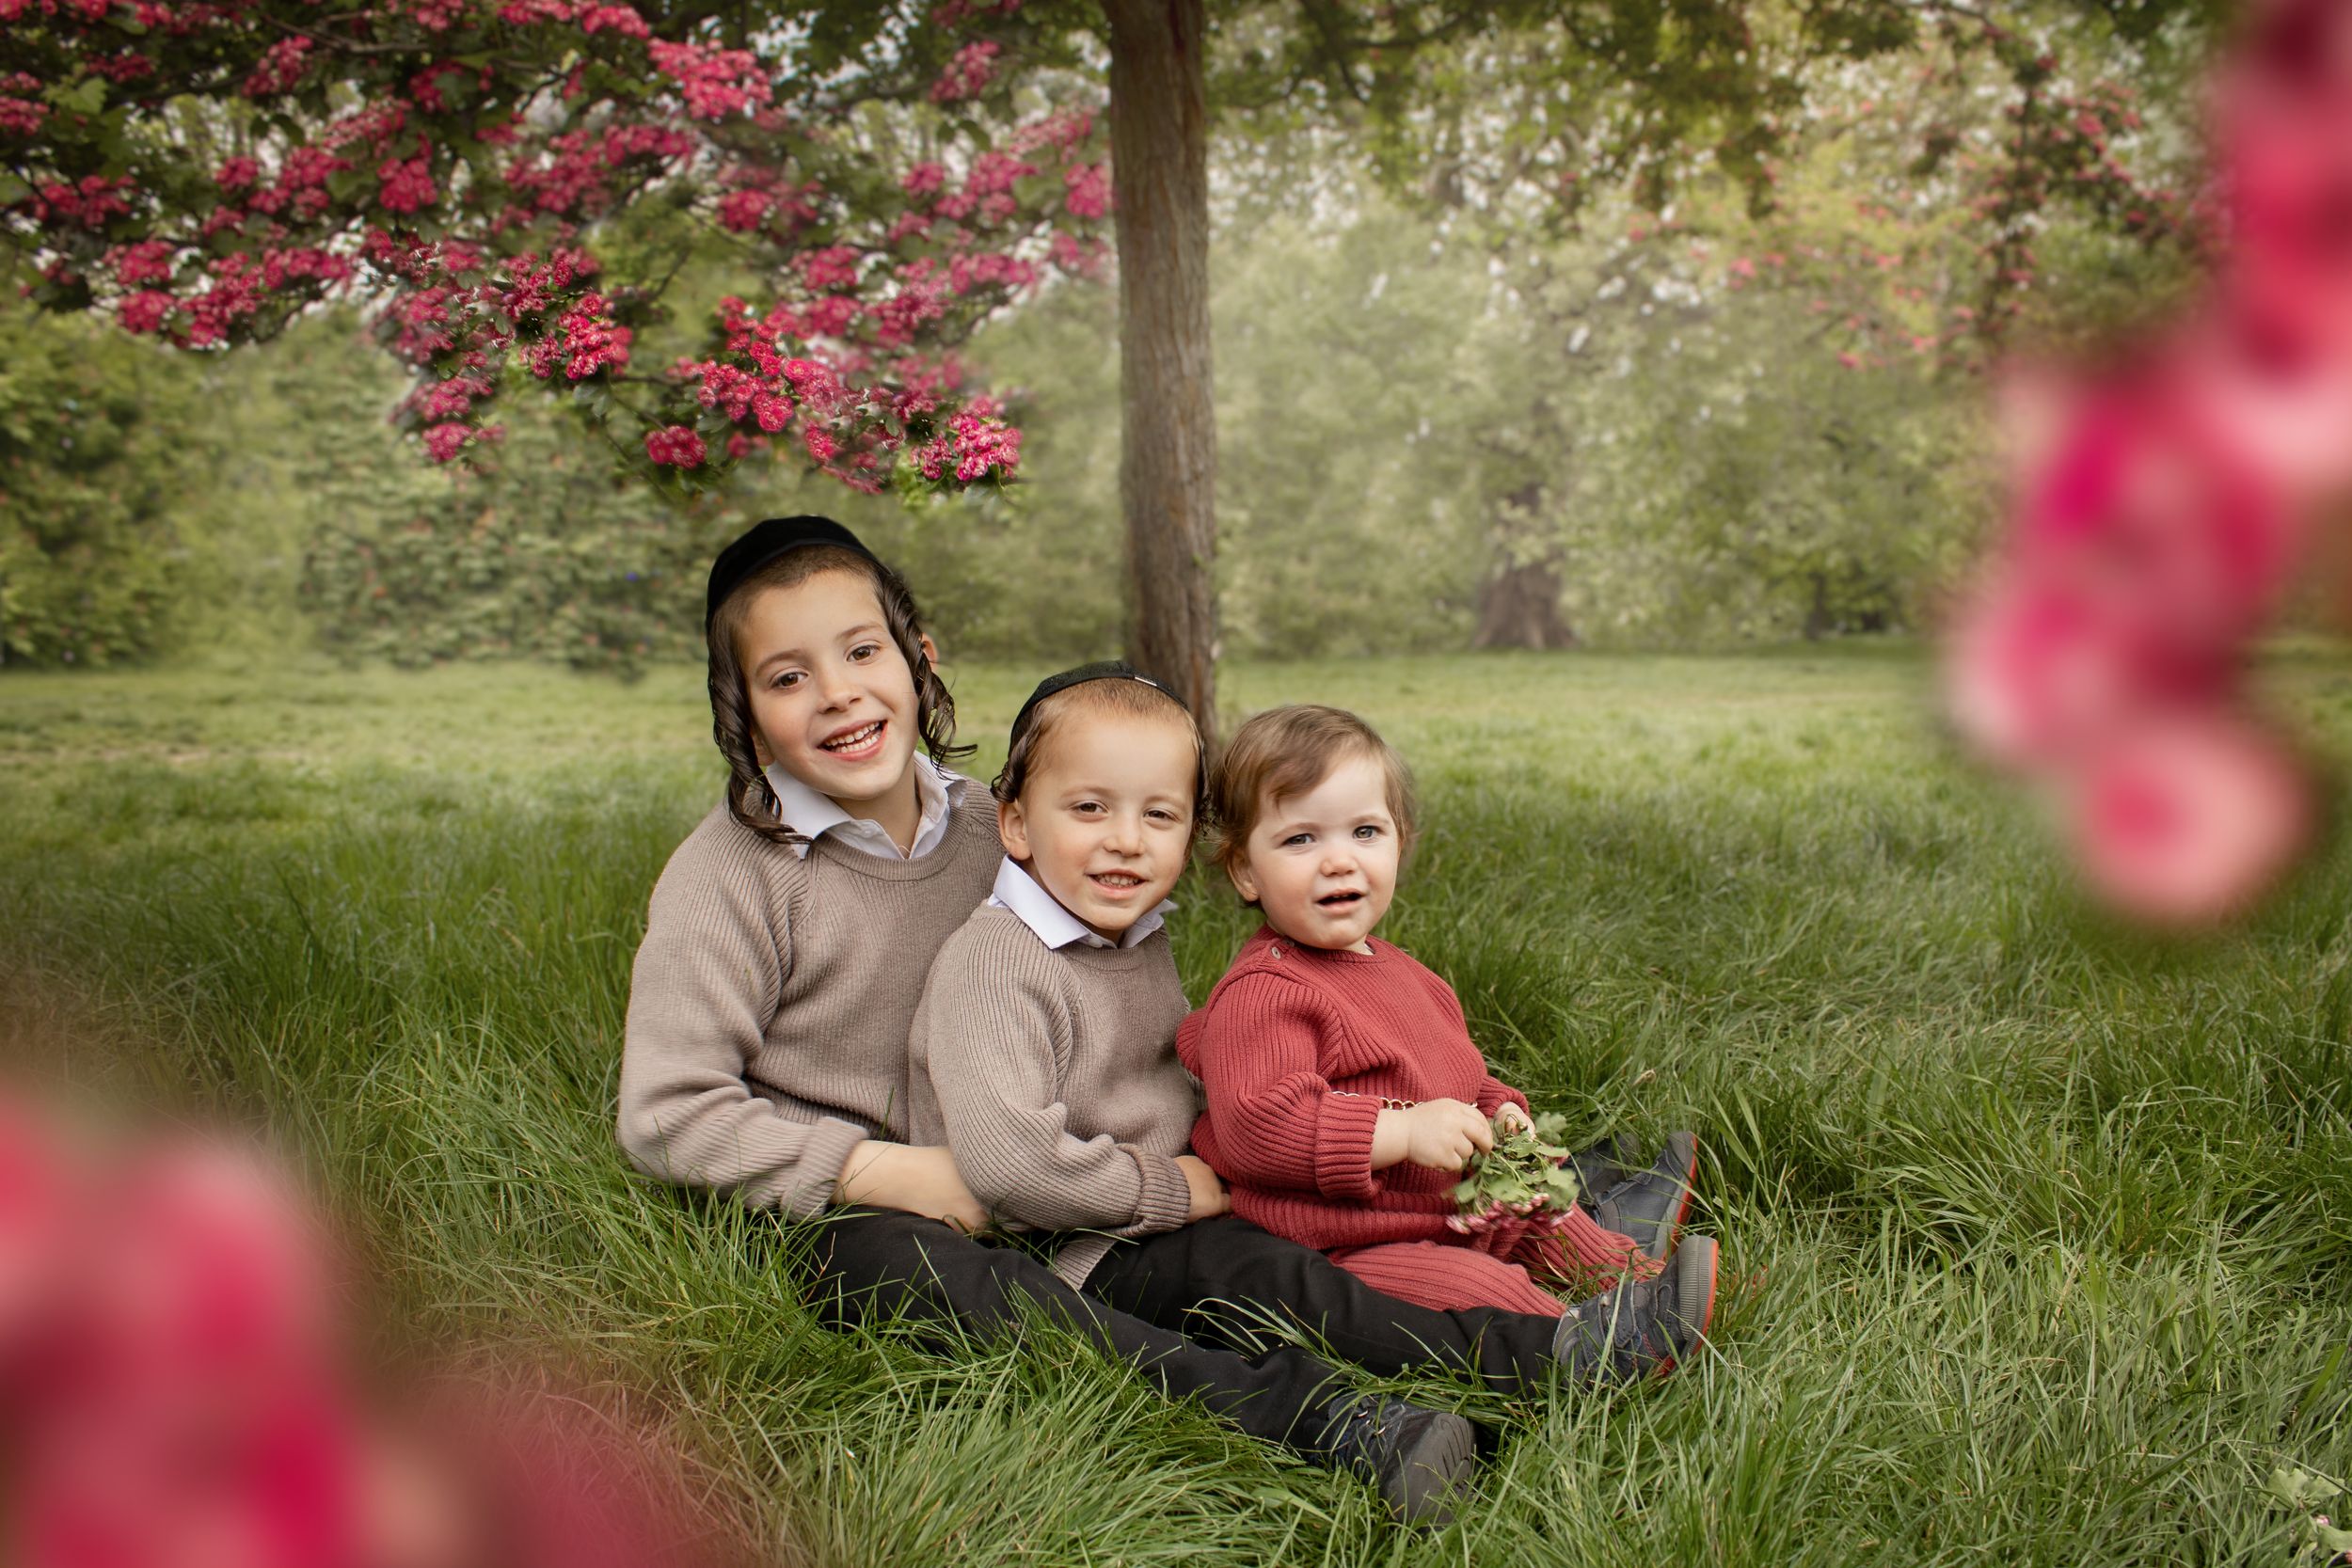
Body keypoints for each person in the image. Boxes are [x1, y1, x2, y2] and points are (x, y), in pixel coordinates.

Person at [617, 518, 1702, 1521]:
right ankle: (1325, 1422)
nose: (840, 694)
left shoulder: (1007, 818)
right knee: (931, 1283)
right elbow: (666, 1112)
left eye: (862, 652)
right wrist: (875, 1170)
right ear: (741, 707)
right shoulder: (733, 875)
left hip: (1082, 1156)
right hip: (891, 1202)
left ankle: (1551, 1318)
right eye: (787, 676)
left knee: (1262, 1252)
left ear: (918, 657)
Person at [1181, 704, 1717, 1336]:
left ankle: (1636, 1278)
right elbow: (1261, 1127)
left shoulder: (1407, 973)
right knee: (1475, 1286)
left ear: (1399, 841)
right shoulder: (1265, 993)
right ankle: (1586, 1343)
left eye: (1364, 832)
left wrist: (1502, 1111)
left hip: (1441, 1201)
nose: (1338, 860)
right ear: (1245, 869)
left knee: (1539, 1198)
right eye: (1301, 838)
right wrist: (1402, 1132)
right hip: (1349, 1240)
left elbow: (1455, 1072)